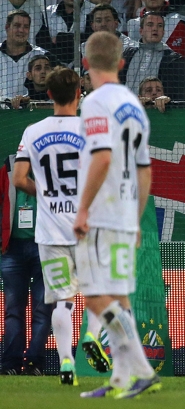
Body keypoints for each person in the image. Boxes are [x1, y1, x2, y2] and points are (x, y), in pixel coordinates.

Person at [74, 31, 160, 398]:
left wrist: (82, 208)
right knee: (119, 298)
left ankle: (142, 370)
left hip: (102, 214)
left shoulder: (95, 102)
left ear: (85, 64)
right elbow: (144, 169)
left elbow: (103, 156)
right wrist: (137, 217)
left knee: (94, 296)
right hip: (125, 213)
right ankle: (121, 379)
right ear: (122, 63)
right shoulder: (132, 103)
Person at [12, 67, 111, 385]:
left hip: (50, 231)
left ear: (49, 94)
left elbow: (17, 179)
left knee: (61, 301)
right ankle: (91, 339)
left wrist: (47, 192)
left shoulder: (32, 131)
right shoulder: (93, 129)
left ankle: (66, 362)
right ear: (80, 94)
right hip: (88, 225)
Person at [0, 154, 51, 376]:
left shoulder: (52, 165)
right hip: (12, 249)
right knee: (13, 310)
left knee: (43, 309)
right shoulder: (8, 168)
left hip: (45, 247)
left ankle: (34, 363)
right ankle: (10, 363)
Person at [120, 11, 185, 101]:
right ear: (141, 31)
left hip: (158, 113)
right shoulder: (127, 55)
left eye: (160, 26)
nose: (155, 29)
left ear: (163, 32)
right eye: (150, 25)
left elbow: (182, 96)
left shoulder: (174, 60)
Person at [0, 9, 52, 105]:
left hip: (28, 114)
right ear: (7, 27)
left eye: (26, 27)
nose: (21, 30)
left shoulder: (42, 55)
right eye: (17, 26)